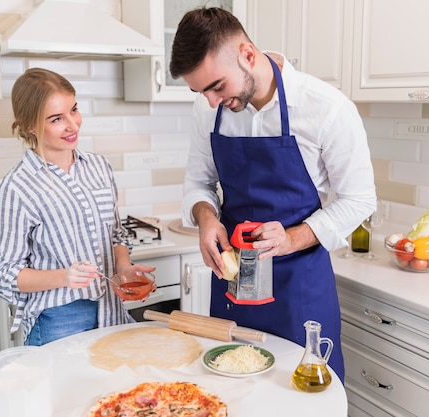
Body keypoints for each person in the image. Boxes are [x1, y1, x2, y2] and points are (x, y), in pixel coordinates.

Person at [169, 7, 377, 381]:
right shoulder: (209, 110)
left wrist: (292, 238)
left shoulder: (327, 109)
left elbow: (359, 200)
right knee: (232, 392)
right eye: (201, 92)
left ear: (248, 55)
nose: (212, 101)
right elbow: (198, 182)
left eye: (217, 86)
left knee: (304, 398)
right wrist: (206, 218)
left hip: (300, 287)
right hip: (233, 283)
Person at [0, 68, 154, 346]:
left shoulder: (100, 167)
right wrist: (64, 276)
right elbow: (4, 273)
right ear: (30, 124)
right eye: (56, 119)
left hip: (111, 308)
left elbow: (115, 234)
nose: (73, 125)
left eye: (74, 110)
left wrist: (123, 267)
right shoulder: (17, 187)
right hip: (59, 318)